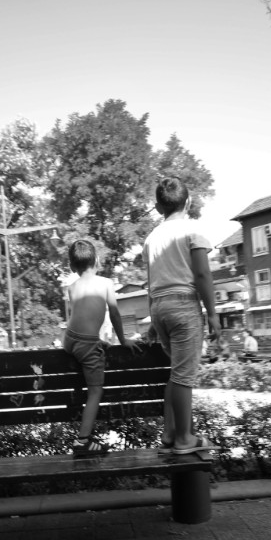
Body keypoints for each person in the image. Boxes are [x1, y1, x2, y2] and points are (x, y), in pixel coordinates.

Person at [142, 176, 221, 455]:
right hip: (184, 307)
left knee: (176, 374)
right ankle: (185, 438)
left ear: (158, 207)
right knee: (183, 377)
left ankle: (169, 434)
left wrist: (153, 323)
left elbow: (151, 282)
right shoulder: (193, 230)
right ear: (188, 202)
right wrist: (212, 314)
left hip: (159, 308)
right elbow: (202, 274)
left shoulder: (151, 238)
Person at [64, 239, 140, 456]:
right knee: (95, 391)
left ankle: (83, 439)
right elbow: (114, 313)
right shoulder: (106, 283)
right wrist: (123, 340)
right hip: (86, 345)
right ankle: (82, 441)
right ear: (97, 260)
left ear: (72, 266)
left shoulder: (71, 288)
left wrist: (94, 340)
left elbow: (80, 317)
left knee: (88, 345)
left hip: (69, 339)